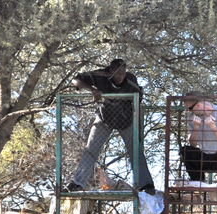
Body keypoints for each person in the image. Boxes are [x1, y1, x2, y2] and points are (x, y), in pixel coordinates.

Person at [64, 59, 156, 195]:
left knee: (136, 151)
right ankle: (77, 183)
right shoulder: (100, 75)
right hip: (104, 119)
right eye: (118, 74)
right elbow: (76, 80)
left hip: (125, 120)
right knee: (90, 149)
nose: (121, 77)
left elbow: (138, 98)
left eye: (123, 74)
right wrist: (92, 89)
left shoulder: (130, 81)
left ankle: (146, 184)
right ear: (111, 71)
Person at [180, 91, 217, 184]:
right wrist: (196, 127)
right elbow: (193, 144)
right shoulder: (192, 117)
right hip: (203, 156)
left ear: (198, 105)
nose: (190, 112)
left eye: (190, 109)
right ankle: (198, 181)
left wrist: (213, 127)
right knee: (186, 150)